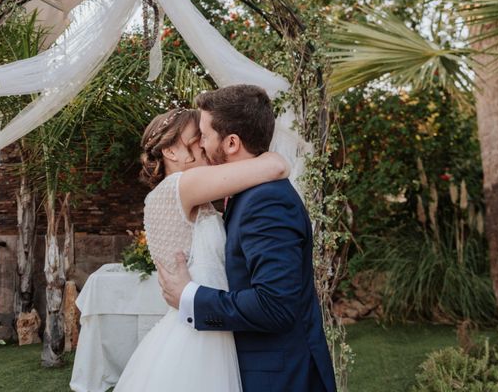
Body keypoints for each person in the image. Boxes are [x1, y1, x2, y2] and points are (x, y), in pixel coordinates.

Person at [157, 85, 337, 392]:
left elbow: (274, 305)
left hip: (279, 377)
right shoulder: (247, 194)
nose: (200, 144)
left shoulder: (266, 202)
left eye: (204, 134)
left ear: (231, 142)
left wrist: (191, 297)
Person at [114, 106, 290, 392]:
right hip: (200, 339)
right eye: (198, 138)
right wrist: (271, 153)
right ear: (171, 151)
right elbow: (276, 168)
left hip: (199, 322)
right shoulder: (184, 184)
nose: (206, 144)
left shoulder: (171, 194)